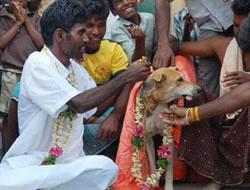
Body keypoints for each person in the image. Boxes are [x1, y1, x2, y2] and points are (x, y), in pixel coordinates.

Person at [0, 0, 151, 189]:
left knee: (106, 168)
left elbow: (93, 107)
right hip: (35, 163)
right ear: (61, 35)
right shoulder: (38, 63)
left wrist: (127, 85)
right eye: (81, 33)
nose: (87, 39)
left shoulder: (76, 71)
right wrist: (126, 76)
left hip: (71, 164)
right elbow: (79, 104)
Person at [159, 2, 250, 188]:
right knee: (195, 95)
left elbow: (244, 94)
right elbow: (179, 48)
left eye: (244, 27)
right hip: (229, 114)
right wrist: (167, 44)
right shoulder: (225, 45)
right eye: (236, 26)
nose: (239, 32)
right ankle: (216, 175)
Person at [155, 0, 234, 96]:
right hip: (208, 26)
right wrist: (163, 45)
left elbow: (218, 45)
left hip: (238, 14)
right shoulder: (180, 18)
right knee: (207, 89)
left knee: (239, 78)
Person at [81, 0, 129, 155]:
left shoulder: (113, 50)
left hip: (104, 111)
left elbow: (125, 83)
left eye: (101, 25)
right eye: (90, 26)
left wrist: (116, 114)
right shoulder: (69, 52)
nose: (96, 32)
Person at [0, 0, 43, 116]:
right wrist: (18, 23)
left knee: (27, 109)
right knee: (8, 111)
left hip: (31, 73)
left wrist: (26, 20)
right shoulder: (2, 17)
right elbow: (1, 43)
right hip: (10, 72)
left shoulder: (36, 18)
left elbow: (41, 44)